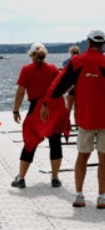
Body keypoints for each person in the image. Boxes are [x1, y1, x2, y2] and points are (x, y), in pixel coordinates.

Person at [41, 30, 105, 209]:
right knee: (104, 160)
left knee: (82, 157)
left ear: (88, 41)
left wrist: (46, 102)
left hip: (85, 118)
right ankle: (102, 197)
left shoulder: (77, 61)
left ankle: (78, 195)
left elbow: (59, 84)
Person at [11, 42, 70, 189]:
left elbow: (20, 93)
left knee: (30, 141)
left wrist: (15, 110)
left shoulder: (26, 69)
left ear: (31, 55)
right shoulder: (52, 68)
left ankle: (21, 178)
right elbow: (61, 87)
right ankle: (55, 178)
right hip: (55, 106)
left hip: (37, 107)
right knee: (55, 140)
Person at [62, 45, 80, 113]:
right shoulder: (81, 60)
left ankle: (66, 123)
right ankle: (77, 123)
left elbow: (64, 64)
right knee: (77, 108)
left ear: (71, 53)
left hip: (70, 85)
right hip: (80, 85)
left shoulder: (67, 61)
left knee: (69, 107)